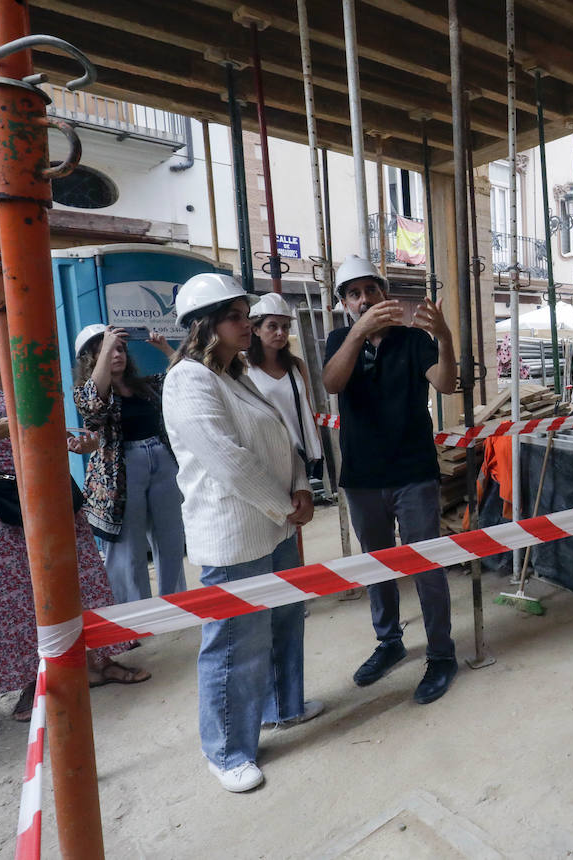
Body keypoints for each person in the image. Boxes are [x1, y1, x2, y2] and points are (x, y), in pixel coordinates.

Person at [0, 276, 148, 724]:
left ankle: (99, 661)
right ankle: (33, 684)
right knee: (14, 593)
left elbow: (40, 427)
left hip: (50, 484)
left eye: (1, 316)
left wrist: (72, 442)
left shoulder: (21, 366)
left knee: (81, 573)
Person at [163, 272, 319, 793]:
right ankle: (227, 749)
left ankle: (281, 707)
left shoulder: (233, 374)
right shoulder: (189, 379)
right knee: (235, 643)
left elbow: (278, 433)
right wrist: (284, 505)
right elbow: (227, 460)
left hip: (272, 524)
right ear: (203, 325)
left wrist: (299, 485)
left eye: (244, 314)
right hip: (236, 534)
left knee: (282, 623)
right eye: (235, 316)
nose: (247, 323)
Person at [322, 255, 459, 705]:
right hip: (362, 476)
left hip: (412, 471)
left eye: (371, 290)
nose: (365, 299)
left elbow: (445, 383)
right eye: (354, 293)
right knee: (376, 564)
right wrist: (358, 334)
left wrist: (443, 335)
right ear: (344, 303)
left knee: (425, 564)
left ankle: (441, 653)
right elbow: (333, 383)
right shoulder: (340, 339)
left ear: (385, 294)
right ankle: (389, 641)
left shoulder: (412, 339)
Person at [73, 323, 186, 603]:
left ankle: (177, 606)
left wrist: (164, 347)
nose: (117, 355)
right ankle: (133, 618)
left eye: (121, 349)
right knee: (128, 547)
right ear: (92, 360)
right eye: (108, 351)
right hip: (121, 471)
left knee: (170, 539)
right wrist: (108, 344)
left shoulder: (145, 386)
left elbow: (184, 378)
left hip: (162, 461)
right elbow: (92, 407)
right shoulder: (87, 392)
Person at [245, 294, 323, 494]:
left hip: (297, 455)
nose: (280, 332)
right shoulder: (243, 366)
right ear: (255, 329)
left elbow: (306, 406)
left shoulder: (296, 365)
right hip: (264, 455)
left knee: (297, 515)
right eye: (272, 326)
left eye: (285, 326)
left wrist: (316, 448)